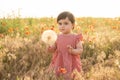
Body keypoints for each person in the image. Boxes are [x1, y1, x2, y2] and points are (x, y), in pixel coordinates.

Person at [47, 11, 83, 80]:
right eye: (60, 24)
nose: (62, 26)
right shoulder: (57, 37)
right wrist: (50, 47)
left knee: (72, 75)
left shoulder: (75, 37)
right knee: (58, 74)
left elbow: (80, 50)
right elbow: (54, 48)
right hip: (59, 60)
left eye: (66, 23)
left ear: (72, 25)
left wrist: (73, 51)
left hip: (72, 61)